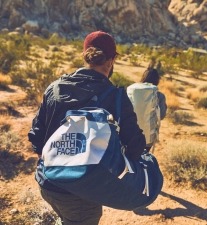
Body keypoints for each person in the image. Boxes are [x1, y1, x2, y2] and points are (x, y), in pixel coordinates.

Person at [28, 31, 146, 225]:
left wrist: (57, 162)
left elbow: (35, 137)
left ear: (85, 55)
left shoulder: (55, 87)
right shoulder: (115, 97)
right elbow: (135, 146)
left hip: (47, 182)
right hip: (82, 194)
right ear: (112, 60)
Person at [140, 68, 167, 151]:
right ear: (157, 80)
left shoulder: (132, 91)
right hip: (148, 135)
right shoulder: (159, 96)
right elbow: (161, 115)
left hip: (129, 131)